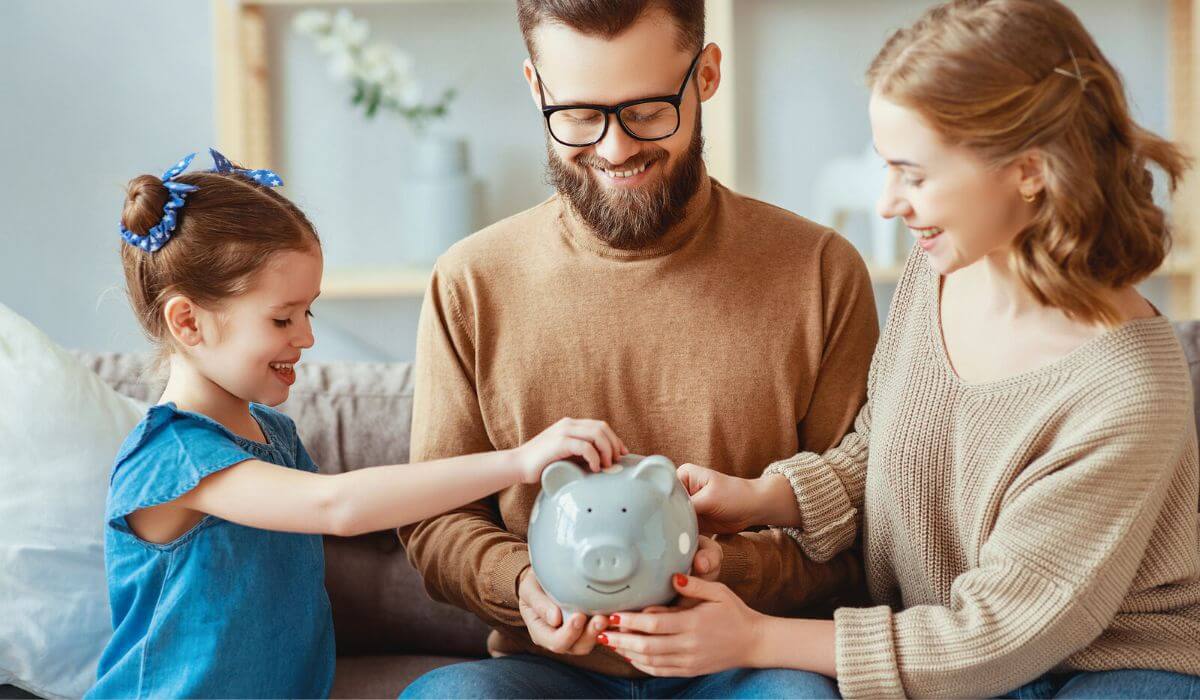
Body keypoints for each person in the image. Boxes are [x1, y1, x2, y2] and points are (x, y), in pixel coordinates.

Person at [597, 1, 1200, 697]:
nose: (888, 203)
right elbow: (886, 445)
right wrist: (764, 498)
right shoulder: (942, 267)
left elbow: (997, 634)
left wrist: (754, 636)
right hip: (952, 645)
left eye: (913, 174)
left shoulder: (1127, 389)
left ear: (1029, 170)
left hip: (1111, 665)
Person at [398, 1, 880, 697]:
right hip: (549, 672)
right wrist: (527, 585)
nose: (616, 149)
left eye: (650, 111)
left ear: (706, 76)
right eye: (580, 115)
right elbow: (437, 518)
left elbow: (859, 521)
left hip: (748, 657)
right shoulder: (471, 282)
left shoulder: (820, 271)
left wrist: (718, 571)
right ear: (537, 88)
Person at [87, 149, 626, 698]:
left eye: (309, 312)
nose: (306, 337)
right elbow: (338, 506)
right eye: (282, 317)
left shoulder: (276, 439)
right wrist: (518, 461)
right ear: (188, 322)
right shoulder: (171, 455)